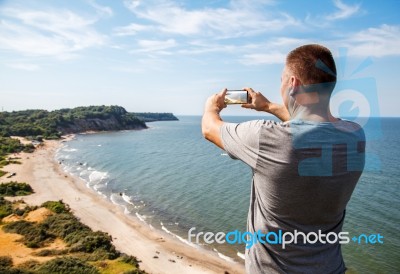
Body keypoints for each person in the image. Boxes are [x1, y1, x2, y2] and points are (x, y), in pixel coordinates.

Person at [202, 44, 365, 273]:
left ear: (293, 84)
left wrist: (211, 107)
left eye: (282, 80)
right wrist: (267, 106)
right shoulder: (355, 136)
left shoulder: (266, 137)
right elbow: (311, 122)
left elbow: (210, 129)